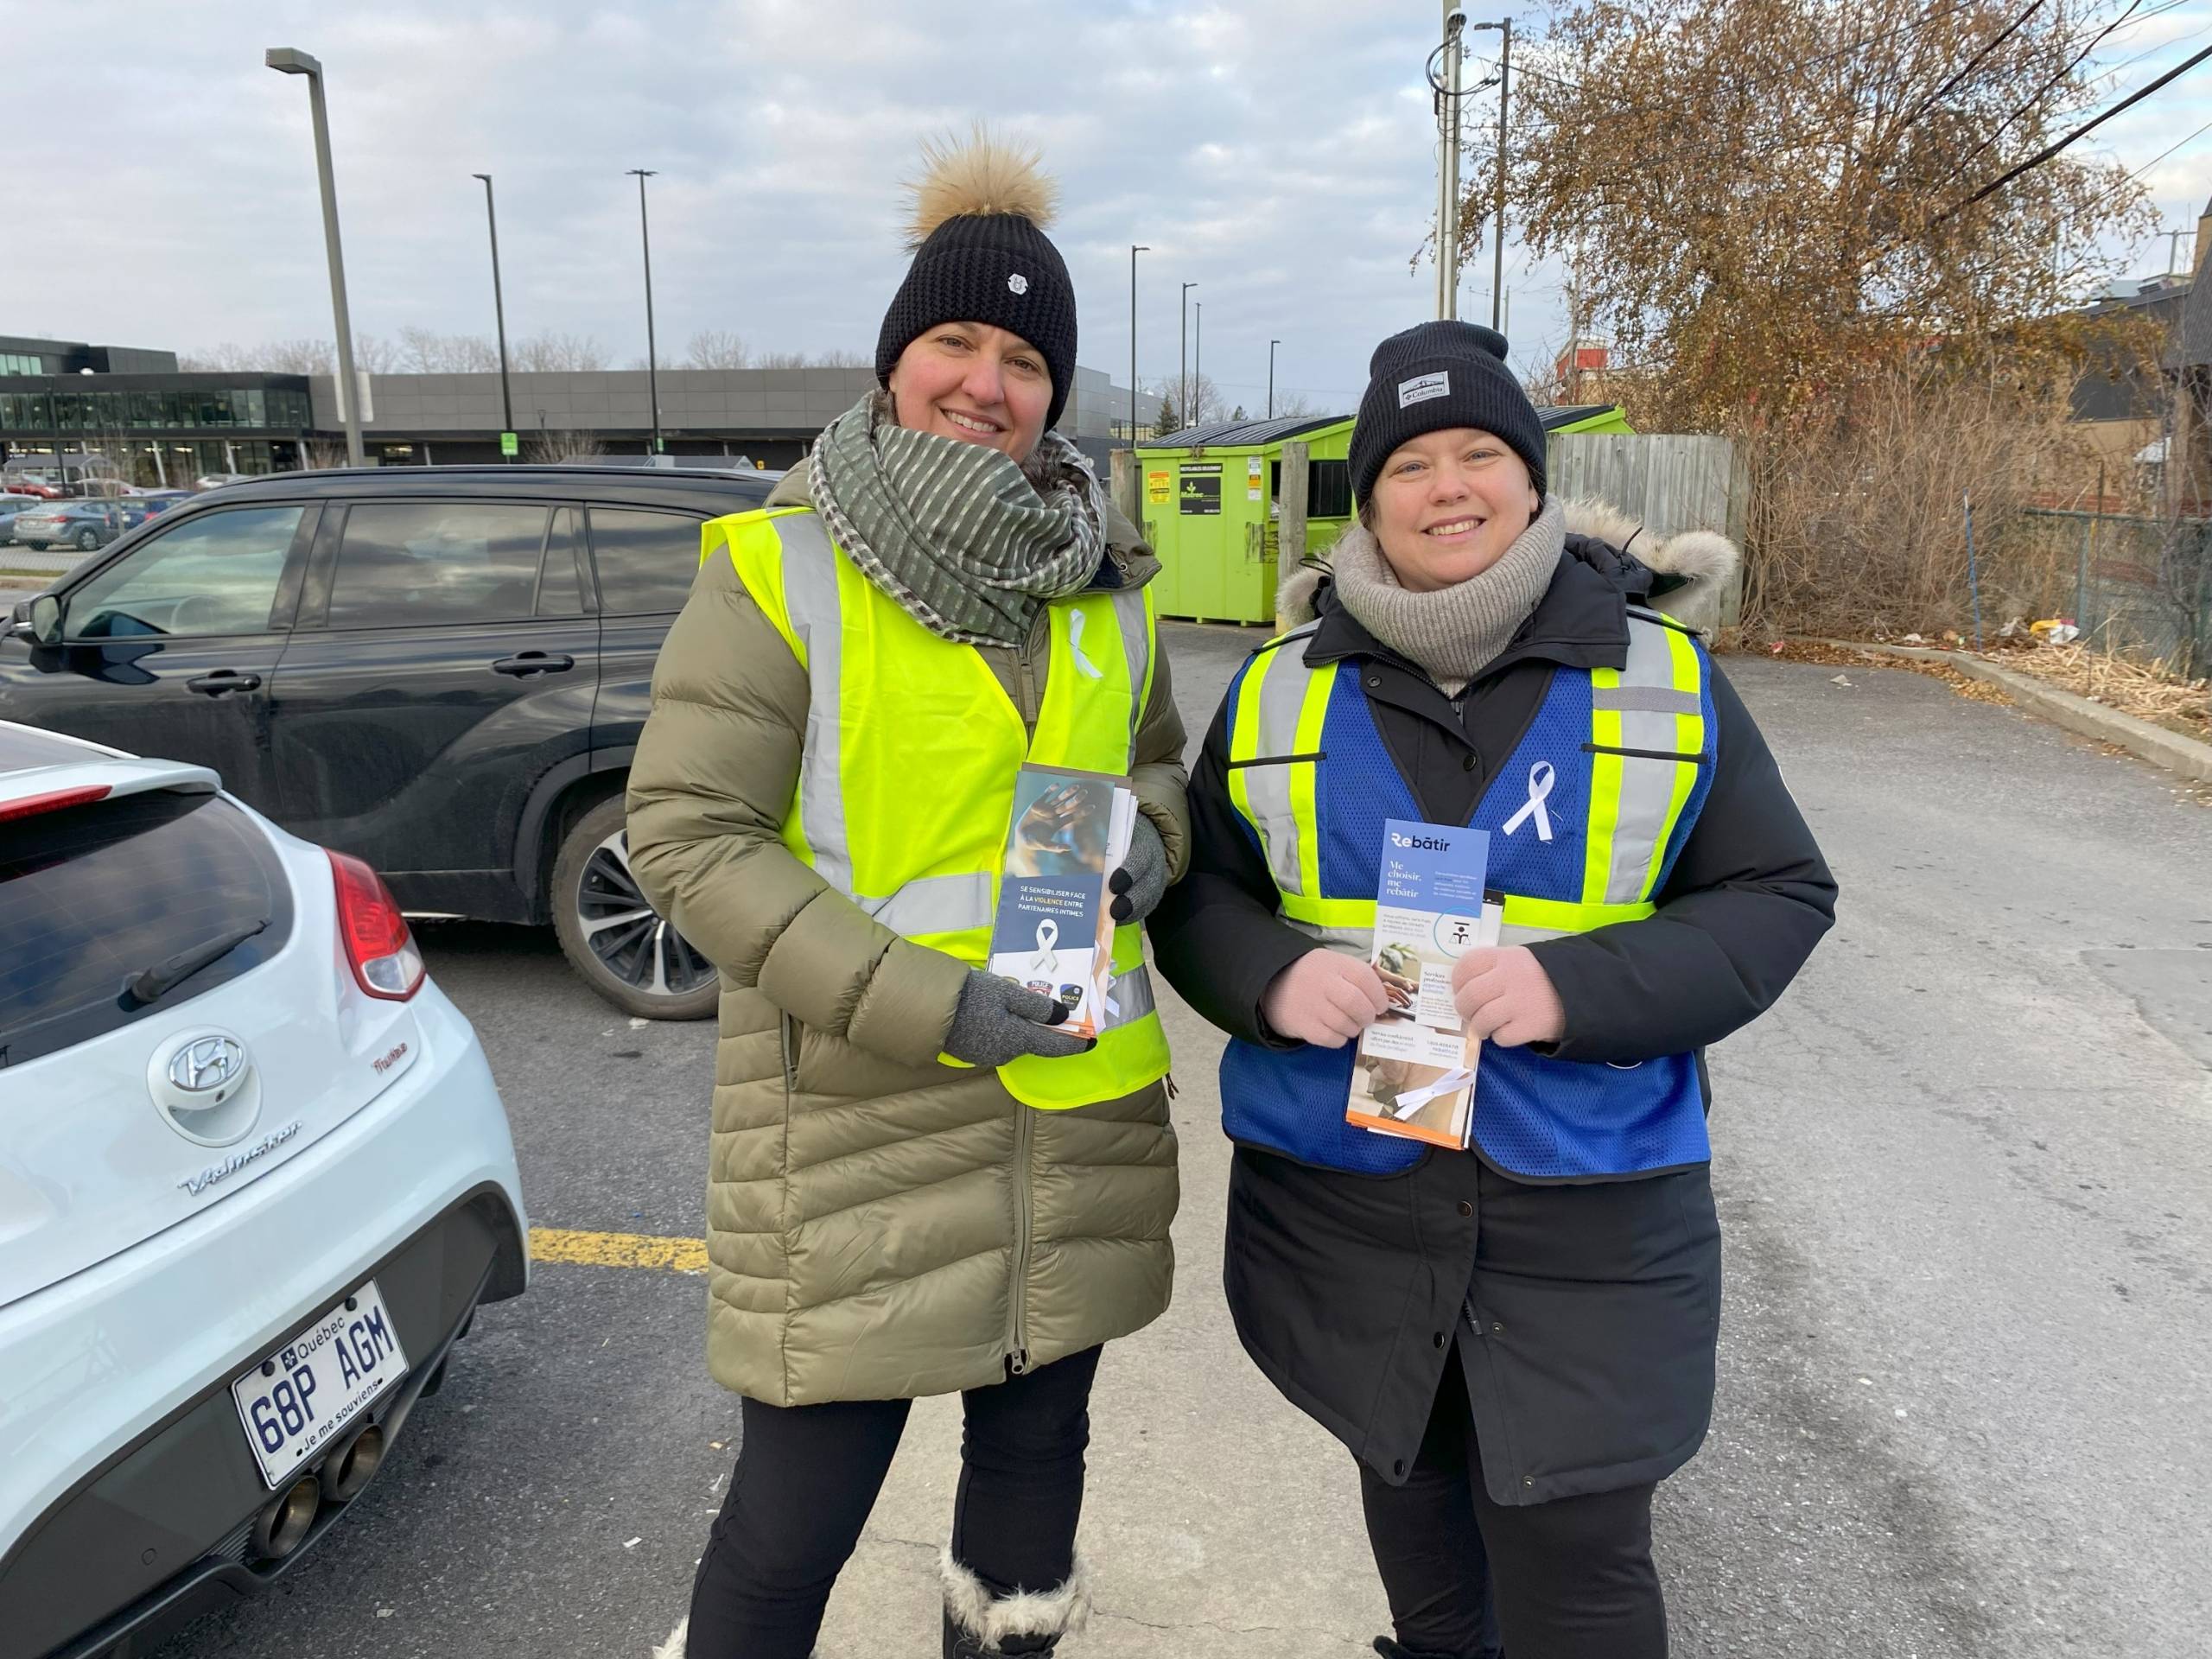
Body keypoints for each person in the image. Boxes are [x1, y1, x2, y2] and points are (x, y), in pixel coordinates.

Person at [1149, 321, 1837, 1659]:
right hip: (1348, 1211)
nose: (1447, 485)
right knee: (1428, 1574)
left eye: (1480, 452)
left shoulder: (1664, 680)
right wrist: (1273, 977)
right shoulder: (1277, 692)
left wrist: (1578, 986)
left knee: (1577, 1581)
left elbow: (1777, 897)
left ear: (1530, 479)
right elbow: (1199, 895)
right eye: (1409, 462)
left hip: (1588, 1216)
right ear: (1369, 495)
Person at [626, 131, 1187, 1659]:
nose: (984, 382)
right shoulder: (783, 566)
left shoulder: (1104, 585)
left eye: (1022, 356)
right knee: (788, 1536)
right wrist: (938, 1006)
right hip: (860, 1137)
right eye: (953, 340)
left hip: (1070, 1125)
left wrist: (1155, 840)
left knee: (1026, 1523)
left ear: (1054, 391)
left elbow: (1155, 774)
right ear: (895, 361)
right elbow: (682, 833)